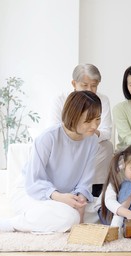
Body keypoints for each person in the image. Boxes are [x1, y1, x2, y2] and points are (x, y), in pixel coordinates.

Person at [0, 91, 102, 237]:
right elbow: (33, 182)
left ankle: (42, 219)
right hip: (32, 192)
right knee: (70, 217)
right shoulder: (48, 138)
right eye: (88, 121)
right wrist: (59, 197)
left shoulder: (92, 141)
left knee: (101, 211)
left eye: (97, 119)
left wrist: (81, 201)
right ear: (73, 117)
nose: (94, 125)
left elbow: (86, 179)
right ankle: (10, 224)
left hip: (67, 197)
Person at [48, 64, 113, 197]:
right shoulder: (60, 99)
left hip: (92, 140)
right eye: (84, 85)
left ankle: (97, 189)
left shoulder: (103, 100)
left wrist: (88, 132)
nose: (89, 90)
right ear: (74, 83)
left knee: (107, 146)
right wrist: (77, 133)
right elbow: (54, 128)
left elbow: (106, 131)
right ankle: (64, 188)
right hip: (67, 142)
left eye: (94, 85)